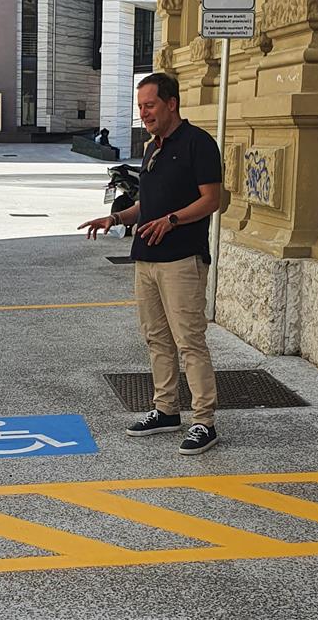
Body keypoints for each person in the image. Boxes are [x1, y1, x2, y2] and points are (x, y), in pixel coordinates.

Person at [78, 73, 222, 454]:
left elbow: (212, 200)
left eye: (150, 105)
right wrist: (118, 218)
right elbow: (149, 205)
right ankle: (166, 409)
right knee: (156, 338)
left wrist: (172, 220)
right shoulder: (151, 147)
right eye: (141, 107)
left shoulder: (198, 144)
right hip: (146, 259)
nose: (144, 113)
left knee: (189, 341)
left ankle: (204, 421)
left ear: (171, 103)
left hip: (182, 260)